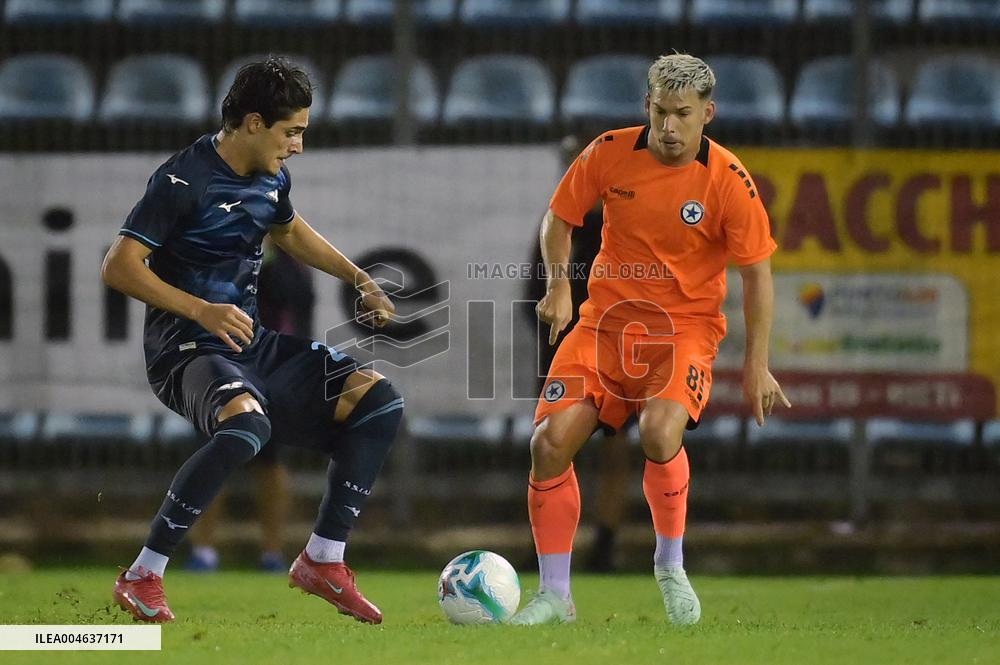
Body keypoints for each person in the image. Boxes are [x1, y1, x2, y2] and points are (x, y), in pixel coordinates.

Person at [101, 56, 403, 625]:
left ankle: (323, 559)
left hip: (249, 343)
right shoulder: (181, 179)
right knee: (247, 425)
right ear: (254, 123)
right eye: (293, 133)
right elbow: (119, 266)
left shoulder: (271, 178)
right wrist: (200, 309)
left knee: (377, 399)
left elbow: (288, 229)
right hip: (185, 350)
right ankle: (143, 573)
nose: (298, 147)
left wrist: (358, 277)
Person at [511, 53, 790, 626]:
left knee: (661, 433)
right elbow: (558, 218)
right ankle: (555, 597)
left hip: (683, 332)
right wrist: (560, 287)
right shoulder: (610, 150)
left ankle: (669, 566)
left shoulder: (729, 181)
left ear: (707, 114)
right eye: (660, 111)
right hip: (603, 326)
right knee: (547, 444)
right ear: (646, 105)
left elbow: (756, 273)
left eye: (682, 114)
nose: (668, 126)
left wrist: (757, 364)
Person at [525, 136, 633, 575]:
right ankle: (551, 548)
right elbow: (531, 293)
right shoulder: (556, 229)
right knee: (552, 446)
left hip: (620, 354)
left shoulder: (622, 224)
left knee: (614, 450)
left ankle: (606, 540)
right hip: (564, 353)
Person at [186, 241, 314, 573]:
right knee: (214, 457)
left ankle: (272, 554)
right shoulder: (222, 254)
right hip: (222, 370)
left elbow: (297, 306)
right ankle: (203, 551)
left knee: (270, 464)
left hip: (273, 374)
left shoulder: (290, 262)